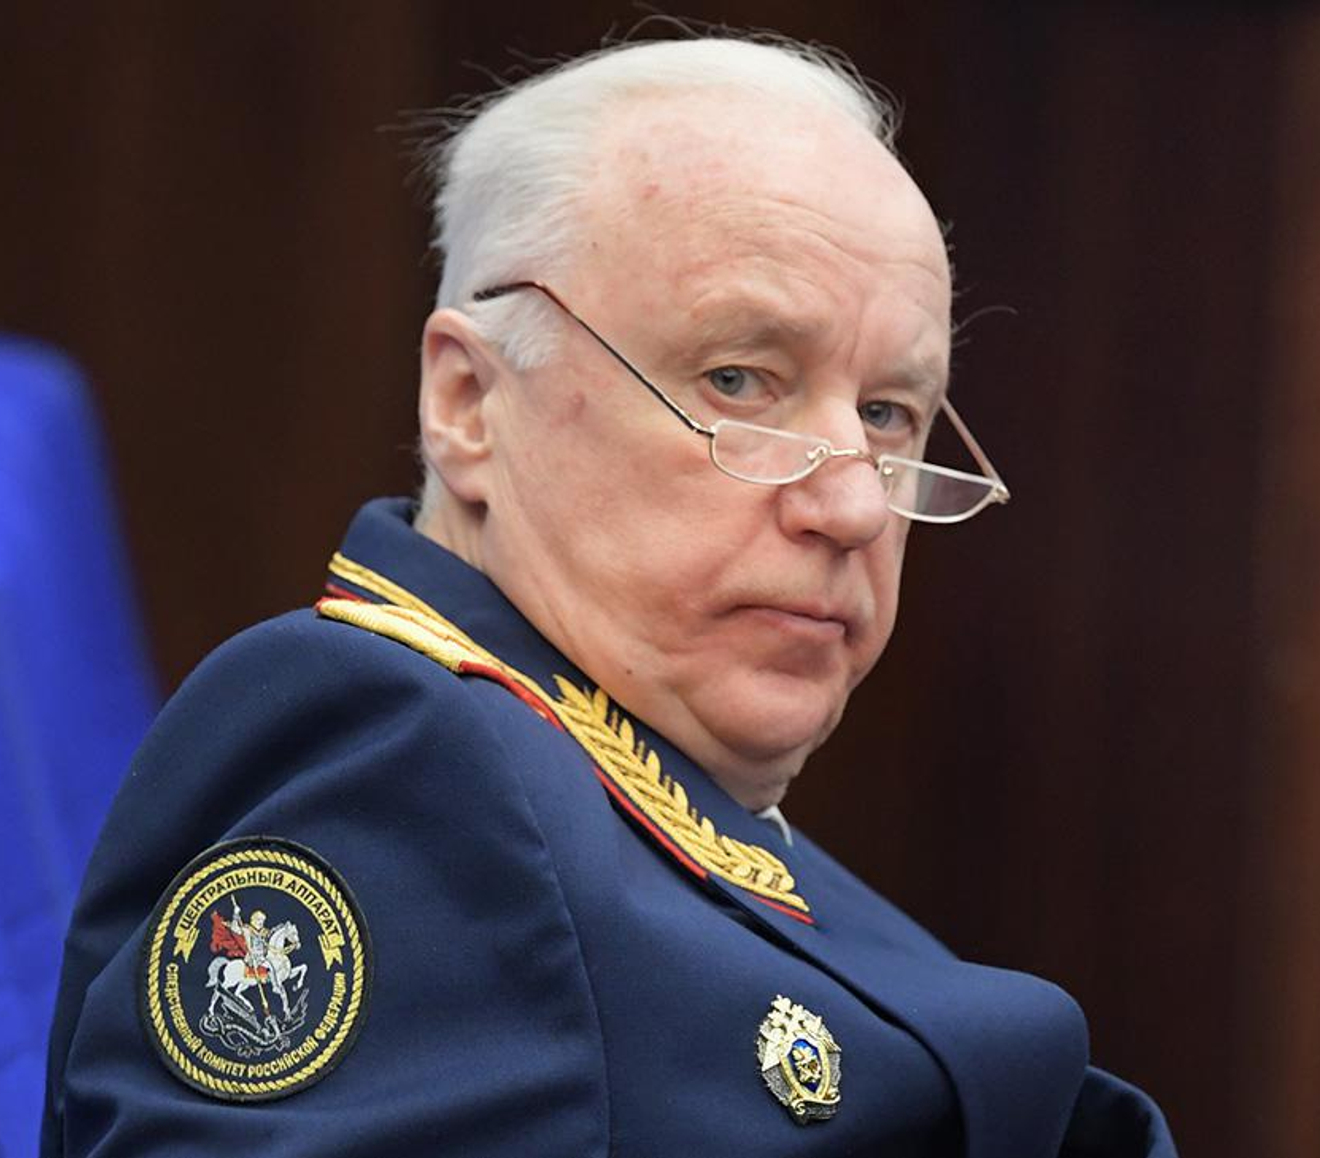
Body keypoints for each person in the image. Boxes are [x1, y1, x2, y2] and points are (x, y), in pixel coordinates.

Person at [42, 33, 1176, 1157]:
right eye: (739, 381)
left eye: (887, 414)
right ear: (470, 404)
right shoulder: (398, 752)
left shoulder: (645, 807)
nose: (853, 509)